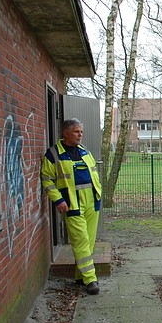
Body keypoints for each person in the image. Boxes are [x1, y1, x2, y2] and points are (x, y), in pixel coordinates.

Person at [41, 118, 102, 295]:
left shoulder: (85, 151)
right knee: (81, 240)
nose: (80, 135)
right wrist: (57, 199)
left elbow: (94, 174)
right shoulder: (53, 154)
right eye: (77, 131)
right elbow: (47, 179)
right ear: (66, 133)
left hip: (92, 201)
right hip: (71, 204)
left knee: (89, 241)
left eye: (81, 132)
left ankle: (79, 275)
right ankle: (91, 279)